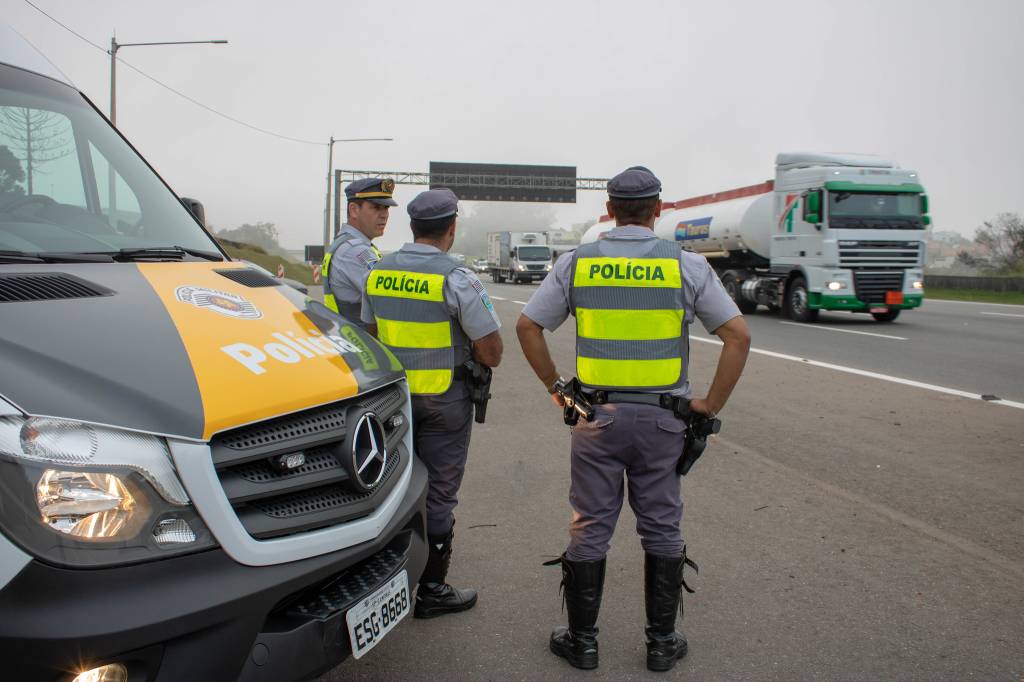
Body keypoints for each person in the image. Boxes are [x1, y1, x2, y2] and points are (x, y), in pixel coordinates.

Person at [516, 166, 751, 672]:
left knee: (591, 525)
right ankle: (662, 644)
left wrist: (558, 390)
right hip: (665, 421)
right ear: (658, 209)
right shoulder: (684, 266)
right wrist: (710, 404)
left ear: (609, 211)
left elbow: (528, 325)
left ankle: (582, 643)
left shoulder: (577, 263)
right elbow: (738, 336)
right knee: (662, 527)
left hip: (595, 419)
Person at [361, 188, 503, 618]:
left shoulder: (378, 272)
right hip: (445, 400)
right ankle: (432, 590)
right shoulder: (457, 278)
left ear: (412, 226)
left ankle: (382, 580)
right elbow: (491, 352)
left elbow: (371, 332)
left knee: (391, 487)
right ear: (451, 228)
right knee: (439, 494)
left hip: (393, 402)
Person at [321, 177, 397, 326]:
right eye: (376, 207)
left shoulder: (350, 244)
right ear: (354, 210)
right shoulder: (354, 251)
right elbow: (391, 301)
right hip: (361, 344)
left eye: (386, 208)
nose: (384, 215)